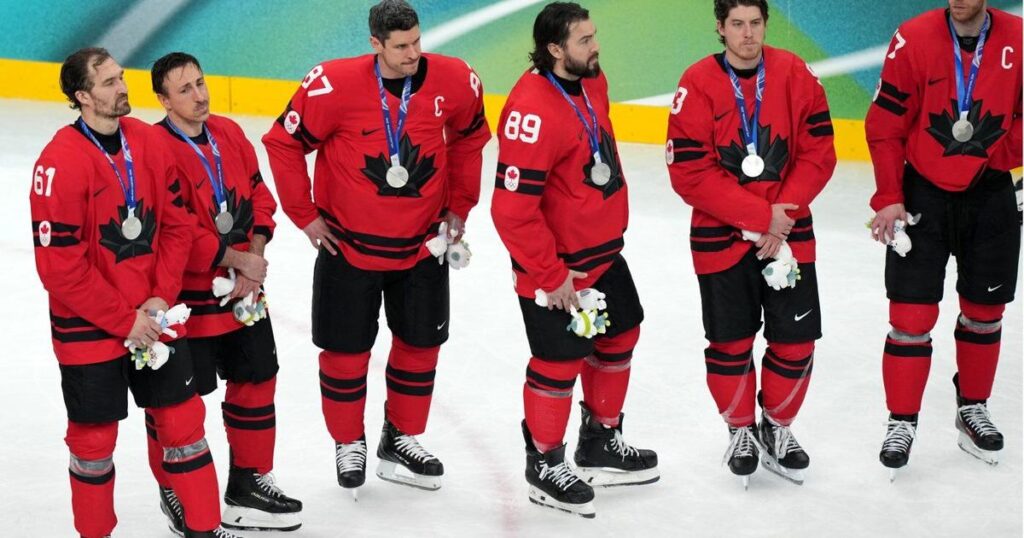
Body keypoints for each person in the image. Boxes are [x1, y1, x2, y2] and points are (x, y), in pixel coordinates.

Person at [262, 0, 490, 494]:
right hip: (349, 247)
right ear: (375, 44)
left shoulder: (454, 79)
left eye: (417, 42)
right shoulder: (331, 84)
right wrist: (303, 214)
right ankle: (349, 442)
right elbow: (282, 143)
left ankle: (400, 438)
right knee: (345, 353)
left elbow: (471, 136)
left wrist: (461, 205)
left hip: (423, 245)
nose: (413, 54)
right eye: (401, 46)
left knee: (420, 345)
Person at [30, 47, 237, 538]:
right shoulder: (58, 163)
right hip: (90, 326)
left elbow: (177, 228)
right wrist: (125, 320)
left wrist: (162, 298)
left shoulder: (148, 141)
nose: (122, 88)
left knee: (185, 425)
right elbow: (60, 268)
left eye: (121, 78)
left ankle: (205, 530)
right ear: (82, 96)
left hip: (155, 315)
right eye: (107, 83)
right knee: (94, 441)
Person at [491, 2, 659, 518]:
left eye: (594, 36)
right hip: (558, 269)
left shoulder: (592, 80)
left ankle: (600, 441)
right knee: (559, 361)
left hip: (605, 254)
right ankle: (544, 464)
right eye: (584, 40)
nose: (595, 46)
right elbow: (510, 211)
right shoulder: (529, 111)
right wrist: (551, 274)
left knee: (619, 335)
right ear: (554, 49)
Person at [665, 0, 836, 488]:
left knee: (796, 340)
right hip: (721, 238)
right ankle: (740, 430)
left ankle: (777, 427)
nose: (747, 34)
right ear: (720, 28)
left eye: (755, 23)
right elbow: (689, 173)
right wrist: (763, 217)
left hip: (789, 234)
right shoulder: (695, 82)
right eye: (736, 24)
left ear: (765, 24)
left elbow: (820, 151)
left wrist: (780, 217)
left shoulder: (795, 73)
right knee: (729, 343)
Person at [866, 0, 1021, 476]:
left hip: (991, 192)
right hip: (921, 194)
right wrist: (889, 194)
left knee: (984, 310)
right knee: (910, 314)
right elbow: (884, 125)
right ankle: (902, 421)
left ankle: (972, 408)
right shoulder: (912, 37)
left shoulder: (1019, 37)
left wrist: (993, 155)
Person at [151, 52, 302, 531]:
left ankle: (248, 482)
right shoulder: (156, 147)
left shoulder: (230, 133)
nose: (200, 96)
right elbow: (179, 230)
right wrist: (240, 262)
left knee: (258, 379)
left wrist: (252, 262)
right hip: (185, 299)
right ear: (163, 100)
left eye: (201, 83)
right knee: (178, 402)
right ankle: (175, 489)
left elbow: (261, 198)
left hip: (243, 292)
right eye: (185, 90)